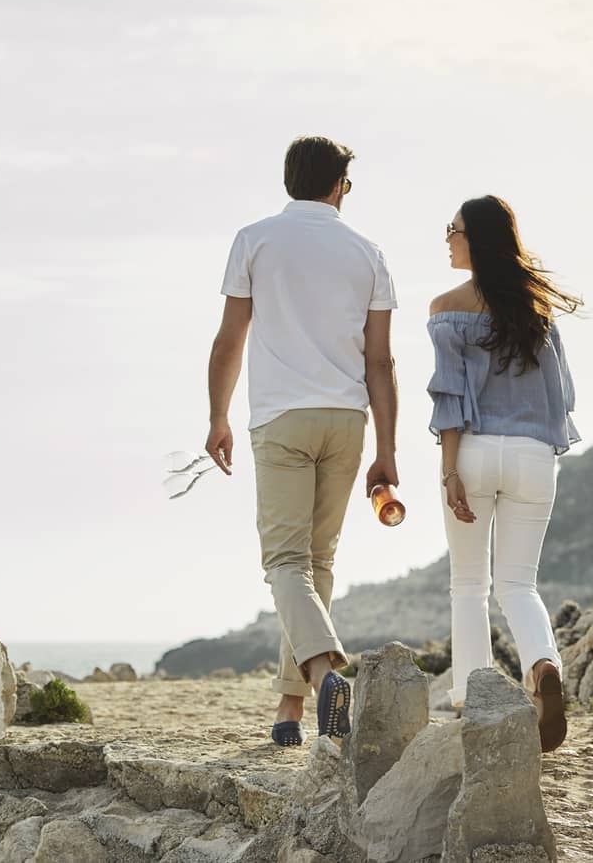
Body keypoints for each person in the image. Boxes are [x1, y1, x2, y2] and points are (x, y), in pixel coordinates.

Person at [205, 135, 399, 747]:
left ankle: (321, 675)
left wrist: (218, 417)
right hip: (347, 421)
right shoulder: (368, 253)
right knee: (316, 565)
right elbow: (382, 362)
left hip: (282, 419)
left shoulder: (255, 239)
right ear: (339, 184)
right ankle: (289, 713)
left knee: (285, 563)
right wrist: (387, 451)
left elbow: (229, 338)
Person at [428, 195, 581, 752]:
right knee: (519, 583)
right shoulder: (536, 309)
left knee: (469, 585)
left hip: (473, 450)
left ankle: (476, 703)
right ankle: (542, 666)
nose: (447, 238)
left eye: (455, 229)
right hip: (534, 456)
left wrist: (450, 472)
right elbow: (560, 396)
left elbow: (451, 400)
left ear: (479, 239)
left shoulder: (447, 309)